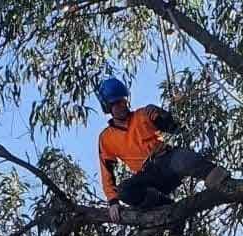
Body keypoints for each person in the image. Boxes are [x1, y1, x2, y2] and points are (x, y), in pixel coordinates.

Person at [94, 75, 229, 220]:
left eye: (123, 100)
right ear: (108, 107)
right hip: (149, 175)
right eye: (116, 103)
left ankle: (223, 182)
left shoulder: (143, 114)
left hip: (167, 160)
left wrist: (163, 117)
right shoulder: (107, 138)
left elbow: (174, 128)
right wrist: (113, 201)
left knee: (185, 158)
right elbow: (107, 172)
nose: (122, 105)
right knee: (125, 191)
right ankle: (165, 206)